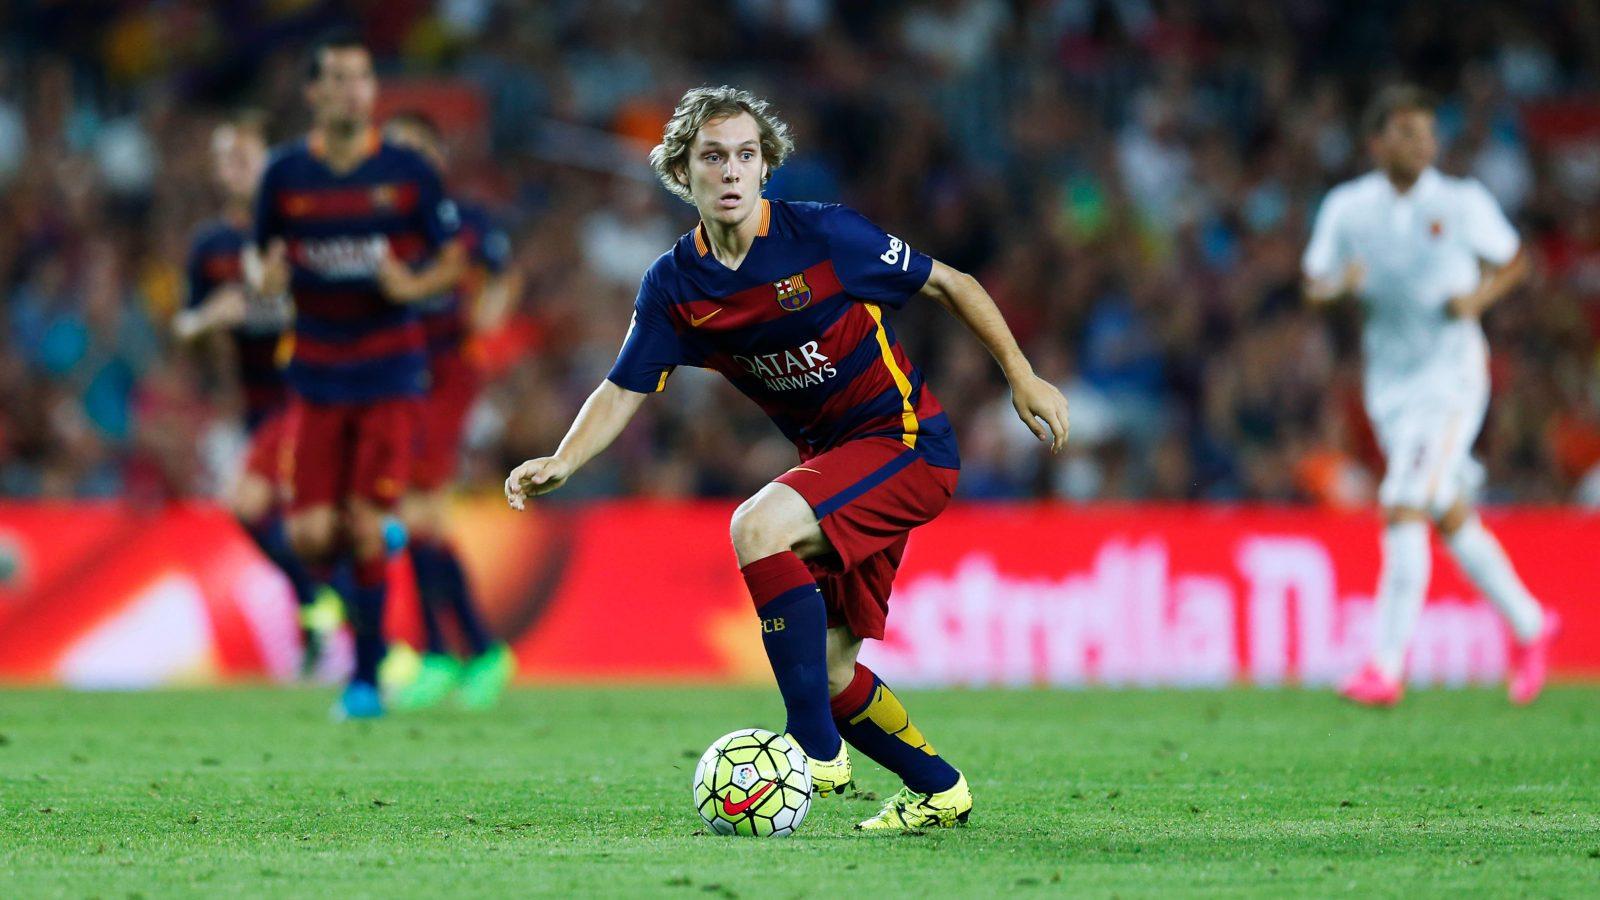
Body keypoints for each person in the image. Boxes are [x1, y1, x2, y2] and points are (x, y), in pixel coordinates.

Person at [505, 86, 1069, 830]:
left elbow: (951, 284)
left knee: (757, 527)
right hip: (837, 466)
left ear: (765, 167)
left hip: (905, 444)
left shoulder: (827, 238)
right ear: (685, 171)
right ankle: (938, 788)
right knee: (832, 673)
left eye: (746, 155)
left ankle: (811, 751)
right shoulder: (675, 288)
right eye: (714, 158)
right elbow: (623, 387)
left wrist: (1021, 376)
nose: (732, 172)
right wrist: (564, 460)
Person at [1303, 84, 1560, 708]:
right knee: (1443, 510)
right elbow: (1315, 284)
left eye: (1428, 132)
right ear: (1377, 142)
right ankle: (1531, 625)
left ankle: (1385, 668)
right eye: (1408, 133)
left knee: (1401, 503)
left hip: (1451, 379)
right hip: (1389, 384)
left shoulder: (1462, 201)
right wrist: (1342, 286)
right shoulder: (1348, 207)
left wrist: (1477, 299)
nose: (1424, 144)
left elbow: (1515, 260)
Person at [251, 32, 465, 719]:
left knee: (366, 526)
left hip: (388, 372)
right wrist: (268, 276)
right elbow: (261, 261)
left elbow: (451, 257)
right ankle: (371, 589)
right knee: (311, 534)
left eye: (362, 78)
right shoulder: (285, 176)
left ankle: (367, 677)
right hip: (316, 374)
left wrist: (412, 284)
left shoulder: (406, 172)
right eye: (337, 78)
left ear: (373, 92)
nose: (351, 90)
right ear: (313, 93)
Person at [173, 111, 337, 677]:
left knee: (248, 503)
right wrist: (205, 322)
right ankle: (324, 611)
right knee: (294, 523)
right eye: (225, 159)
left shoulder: (296, 229)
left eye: (244, 157)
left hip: (307, 391)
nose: (234, 169)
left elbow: (326, 304)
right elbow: (185, 326)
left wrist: (257, 307)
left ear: (266, 161)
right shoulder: (211, 245)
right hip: (254, 403)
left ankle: (323, 604)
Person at [382, 110, 520, 710]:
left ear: (438, 157)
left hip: (445, 374)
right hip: (397, 373)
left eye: (416, 149)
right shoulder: (383, 228)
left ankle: (465, 652)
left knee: (421, 511)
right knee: (421, 517)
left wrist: (488, 316)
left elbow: (503, 271)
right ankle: (457, 653)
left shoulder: (461, 220)